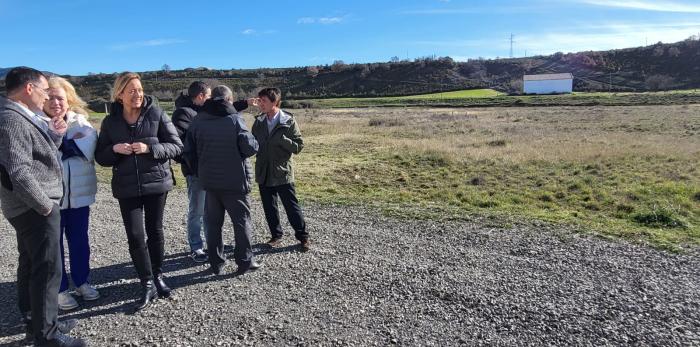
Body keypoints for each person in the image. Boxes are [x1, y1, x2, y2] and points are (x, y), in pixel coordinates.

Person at [0, 67, 86, 346]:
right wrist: (45, 207)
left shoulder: (19, 116)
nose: (46, 96)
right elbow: (18, 171)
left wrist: (56, 136)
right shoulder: (12, 118)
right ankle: (47, 336)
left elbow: (37, 156)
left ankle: (37, 322)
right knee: (48, 270)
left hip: (28, 208)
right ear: (28, 89)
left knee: (31, 264)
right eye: (43, 90)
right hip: (35, 208)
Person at [95, 72, 183, 310]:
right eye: (131, 90)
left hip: (156, 182)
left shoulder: (156, 113)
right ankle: (146, 282)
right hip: (127, 187)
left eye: (140, 89)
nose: (138, 94)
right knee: (135, 235)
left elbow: (176, 146)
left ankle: (157, 275)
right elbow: (101, 157)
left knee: (155, 231)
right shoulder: (110, 122)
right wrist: (114, 149)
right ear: (120, 94)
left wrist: (149, 147)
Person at [183, 85, 261, 276]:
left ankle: (216, 263)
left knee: (213, 224)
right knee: (241, 222)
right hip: (235, 182)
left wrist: (200, 171)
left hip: (209, 182)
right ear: (229, 99)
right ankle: (244, 261)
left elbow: (188, 152)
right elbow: (250, 148)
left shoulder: (197, 120)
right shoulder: (235, 119)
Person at [43, 76, 101, 311]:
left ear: (69, 100)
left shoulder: (81, 122)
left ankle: (82, 281)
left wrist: (63, 145)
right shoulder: (36, 123)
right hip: (51, 197)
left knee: (79, 241)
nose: (55, 102)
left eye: (60, 97)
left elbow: (87, 148)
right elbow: (44, 154)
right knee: (53, 245)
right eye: (50, 97)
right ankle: (59, 289)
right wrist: (68, 145)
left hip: (79, 195)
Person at [251, 87, 309, 252]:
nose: (260, 104)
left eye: (264, 101)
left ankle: (303, 237)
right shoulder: (259, 122)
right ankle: (276, 236)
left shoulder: (288, 121)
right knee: (269, 207)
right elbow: (253, 143)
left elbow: (298, 146)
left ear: (274, 102)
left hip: (282, 171)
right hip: (264, 171)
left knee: (291, 206)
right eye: (259, 100)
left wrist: (283, 140)